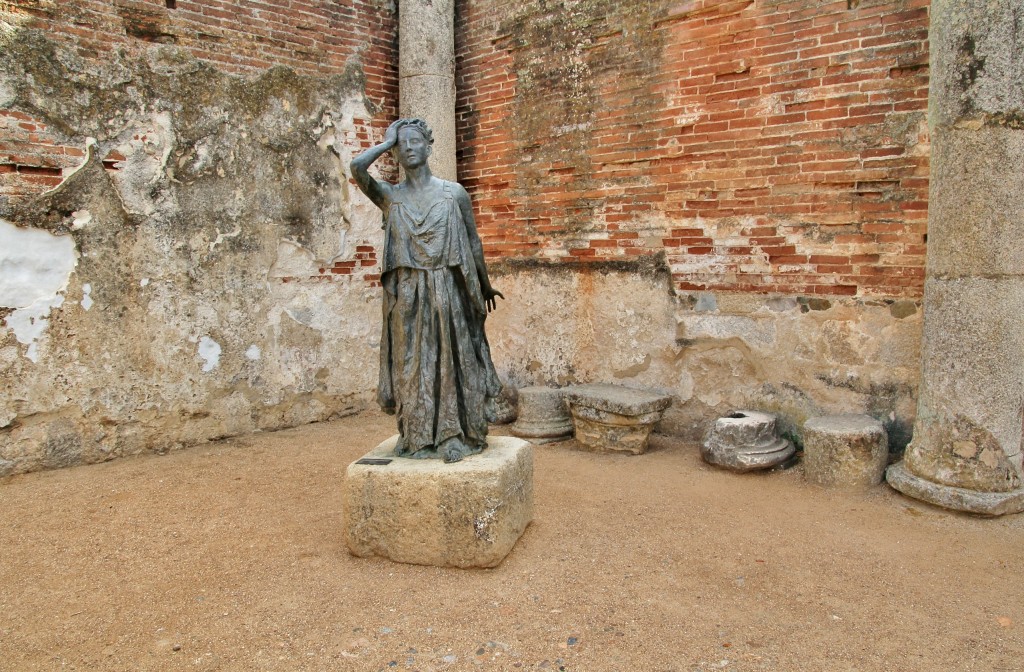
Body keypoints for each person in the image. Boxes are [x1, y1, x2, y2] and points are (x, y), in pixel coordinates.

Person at [350, 118, 504, 463]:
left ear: (429, 146)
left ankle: (454, 434)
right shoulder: (391, 196)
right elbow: (357, 168)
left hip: (448, 287)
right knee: (413, 364)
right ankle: (418, 436)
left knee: (452, 358)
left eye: (415, 141)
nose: (408, 147)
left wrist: (484, 284)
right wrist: (386, 142)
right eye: (401, 143)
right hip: (408, 294)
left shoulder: (454, 193)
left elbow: (473, 242)